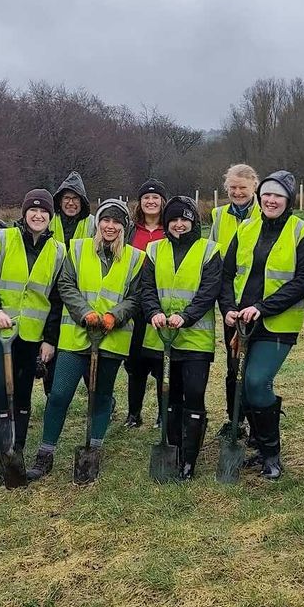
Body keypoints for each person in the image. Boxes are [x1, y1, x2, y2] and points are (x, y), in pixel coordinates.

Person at [26, 199, 143, 481]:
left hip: (112, 339)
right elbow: (65, 284)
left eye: (117, 221)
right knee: (60, 394)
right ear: (97, 223)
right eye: (106, 220)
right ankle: (45, 454)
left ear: (124, 226)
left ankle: (93, 450)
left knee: (101, 397)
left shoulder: (136, 257)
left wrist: (116, 315)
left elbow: (136, 296)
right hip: (77, 337)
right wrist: (85, 312)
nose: (110, 226)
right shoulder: (77, 249)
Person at [219, 171, 304, 479]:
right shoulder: (247, 229)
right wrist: (228, 308)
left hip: (277, 323)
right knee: (242, 385)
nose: (271, 200)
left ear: (288, 199)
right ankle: (260, 449)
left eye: (278, 195)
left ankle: (272, 455)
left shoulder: (302, 233)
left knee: (256, 381)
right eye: (267, 194)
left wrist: (262, 308)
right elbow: (226, 274)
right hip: (240, 321)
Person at [0, 189, 66, 481]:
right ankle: (3, 456)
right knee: (2, 390)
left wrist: (50, 339)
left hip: (32, 335)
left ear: (50, 217)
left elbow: (56, 301)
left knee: (24, 393)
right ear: (24, 213)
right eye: (33, 210)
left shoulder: (58, 251)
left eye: (44, 212)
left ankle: (19, 452)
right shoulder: (1, 240)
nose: (38, 216)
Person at [139, 196, 221, 479]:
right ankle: (172, 448)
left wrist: (186, 316)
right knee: (169, 396)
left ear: (193, 222)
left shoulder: (208, 251)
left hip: (195, 339)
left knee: (194, 394)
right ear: (166, 223)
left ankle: (190, 459)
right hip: (163, 339)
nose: (179, 224)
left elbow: (208, 292)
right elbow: (146, 287)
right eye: (173, 219)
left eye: (184, 219)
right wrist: (153, 312)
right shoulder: (153, 250)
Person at [208, 164, 261, 439]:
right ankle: (235, 419)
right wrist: (225, 303)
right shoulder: (219, 216)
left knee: (254, 367)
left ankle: (257, 423)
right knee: (233, 363)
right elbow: (213, 256)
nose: (238, 192)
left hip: (256, 301)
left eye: (243, 187)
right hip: (229, 301)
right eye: (233, 188)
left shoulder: (266, 213)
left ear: (254, 186)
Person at [40, 172, 96, 398]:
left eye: (76, 198)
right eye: (66, 198)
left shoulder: (91, 223)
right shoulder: (48, 220)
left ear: (82, 202)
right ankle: (53, 396)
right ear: (59, 201)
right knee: (50, 345)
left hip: (81, 293)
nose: (71, 203)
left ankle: (99, 397)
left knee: (85, 348)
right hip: (51, 291)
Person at [123, 178, 167, 429]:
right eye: (146, 198)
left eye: (156, 197)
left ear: (163, 201)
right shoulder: (130, 230)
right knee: (135, 361)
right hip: (134, 303)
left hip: (161, 302)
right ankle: (134, 413)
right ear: (140, 202)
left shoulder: (170, 228)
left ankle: (163, 414)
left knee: (161, 361)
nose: (151, 201)